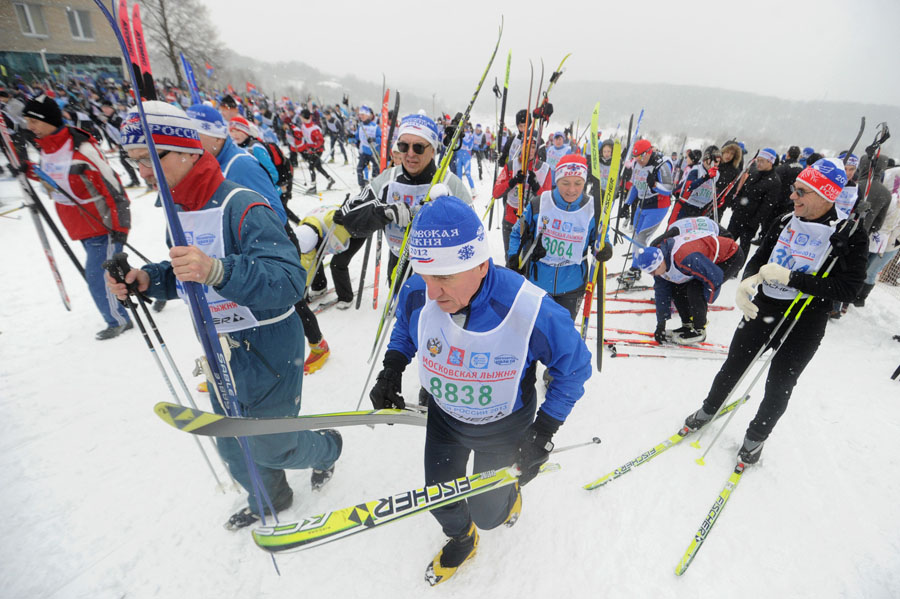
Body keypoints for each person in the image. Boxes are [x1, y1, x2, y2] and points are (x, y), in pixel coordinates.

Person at [111, 100, 342, 528]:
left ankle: (328, 447)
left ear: (186, 150)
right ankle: (269, 500)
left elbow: (289, 281)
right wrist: (150, 279)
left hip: (268, 344)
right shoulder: (178, 209)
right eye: (134, 161)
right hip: (219, 344)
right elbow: (189, 273)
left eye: (149, 158)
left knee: (273, 444)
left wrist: (217, 269)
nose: (141, 170)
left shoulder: (242, 203)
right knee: (232, 442)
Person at [367, 195, 592, 585]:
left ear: (481, 264)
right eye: (425, 274)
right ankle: (461, 537)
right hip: (445, 421)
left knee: (491, 515)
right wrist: (392, 367)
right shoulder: (420, 291)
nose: (433, 291)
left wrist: (543, 433)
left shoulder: (526, 307)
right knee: (439, 496)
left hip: (504, 427)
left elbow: (573, 367)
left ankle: (503, 504)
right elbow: (407, 324)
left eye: (446, 277)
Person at [682, 158, 867, 464]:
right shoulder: (784, 220)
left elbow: (849, 289)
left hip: (804, 319)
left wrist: (794, 279)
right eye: (795, 189)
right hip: (764, 307)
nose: (793, 196)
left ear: (825, 196)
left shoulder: (847, 235)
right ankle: (710, 408)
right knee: (734, 364)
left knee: (780, 382)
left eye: (801, 191)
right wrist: (747, 281)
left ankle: (756, 437)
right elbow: (761, 257)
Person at [23, 94, 132, 340]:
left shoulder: (83, 149)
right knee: (115, 271)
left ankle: (118, 320)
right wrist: (26, 169)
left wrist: (120, 230)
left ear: (48, 120)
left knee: (97, 276)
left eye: (33, 121)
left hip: (102, 227)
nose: (29, 127)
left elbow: (115, 189)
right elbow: (55, 180)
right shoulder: (48, 149)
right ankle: (156, 286)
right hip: (78, 227)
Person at [336, 113, 472, 283]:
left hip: (441, 269)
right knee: (401, 306)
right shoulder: (388, 180)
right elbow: (351, 219)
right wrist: (383, 213)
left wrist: (440, 220)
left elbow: (472, 234)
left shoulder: (449, 183)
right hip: (399, 263)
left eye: (418, 148)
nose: (409, 154)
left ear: (432, 151)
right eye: (403, 146)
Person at [507, 154, 611, 320]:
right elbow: (516, 234)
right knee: (536, 330)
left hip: (572, 285)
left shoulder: (593, 209)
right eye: (565, 183)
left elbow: (601, 238)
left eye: (578, 183)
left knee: (562, 334)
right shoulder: (539, 203)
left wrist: (605, 247)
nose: (571, 190)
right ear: (557, 181)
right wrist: (513, 255)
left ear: (584, 182)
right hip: (538, 282)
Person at [633, 222, 743, 345]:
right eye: (650, 273)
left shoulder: (683, 257)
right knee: (676, 287)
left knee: (694, 289)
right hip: (704, 261)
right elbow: (662, 293)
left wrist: (705, 299)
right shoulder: (660, 266)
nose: (654, 275)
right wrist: (661, 324)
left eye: (653, 271)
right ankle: (688, 324)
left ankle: (699, 330)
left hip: (730, 255)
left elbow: (715, 276)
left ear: (660, 262)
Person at [619, 139, 674, 285]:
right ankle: (637, 263)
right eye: (636, 157)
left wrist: (654, 184)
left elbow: (669, 189)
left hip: (658, 206)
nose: (639, 161)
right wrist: (627, 204)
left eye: (641, 157)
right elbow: (636, 186)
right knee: (636, 236)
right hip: (642, 205)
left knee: (641, 238)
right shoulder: (637, 164)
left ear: (649, 152)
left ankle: (636, 268)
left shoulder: (661, 165)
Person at [492, 130, 552, 253]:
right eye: (527, 146)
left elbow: (548, 202)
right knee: (511, 263)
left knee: (526, 264)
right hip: (511, 221)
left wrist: (536, 187)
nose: (529, 150)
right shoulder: (511, 165)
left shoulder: (544, 169)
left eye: (533, 147)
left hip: (531, 223)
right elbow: (496, 193)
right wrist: (512, 182)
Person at [726, 148, 781, 259]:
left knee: (743, 246)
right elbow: (742, 190)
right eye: (758, 160)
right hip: (738, 215)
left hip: (750, 221)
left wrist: (754, 221)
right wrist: (736, 203)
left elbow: (767, 205)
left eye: (761, 161)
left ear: (770, 162)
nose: (758, 163)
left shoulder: (774, 181)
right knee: (727, 241)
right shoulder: (754, 172)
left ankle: (736, 269)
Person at [668, 145, 720, 225]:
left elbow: (715, 191)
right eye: (714, 161)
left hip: (699, 210)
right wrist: (706, 177)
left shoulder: (717, 174)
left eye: (718, 162)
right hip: (685, 207)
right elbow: (689, 187)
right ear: (707, 159)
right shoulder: (697, 169)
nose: (715, 165)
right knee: (673, 231)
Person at [228, 115, 279, 186]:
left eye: (238, 130)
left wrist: (259, 187)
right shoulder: (235, 147)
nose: (234, 134)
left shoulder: (255, 148)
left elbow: (273, 174)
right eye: (232, 131)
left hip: (264, 192)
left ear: (245, 131)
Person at [99, 101, 140, 188]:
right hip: (122, 144)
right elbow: (108, 135)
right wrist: (114, 145)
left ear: (112, 108)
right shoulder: (107, 120)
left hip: (128, 143)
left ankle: (148, 181)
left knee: (134, 161)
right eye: (103, 109)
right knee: (125, 161)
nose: (105, 110)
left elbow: (123, 129)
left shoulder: (117, 117)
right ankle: (135, 180)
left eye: (107, 108)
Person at [294, 108, 335, 194]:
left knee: (311, 167)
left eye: (301, 116)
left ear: (304, 117)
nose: (300, 118)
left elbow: (320, 141)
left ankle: (313, 187)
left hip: (318, 150)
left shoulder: (314, 128)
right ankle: (330, 179)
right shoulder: (303, 125)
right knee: (318, 167)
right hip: (310, 150)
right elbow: (303, 134)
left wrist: (315, 148)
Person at [354, 105, 381, 187]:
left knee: (376, 171)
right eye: (360, 114)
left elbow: (381, 140)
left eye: (363, 115)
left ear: (368, 115)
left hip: (373, 152)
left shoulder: (375, 127)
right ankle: (362, 186)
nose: (361, 116)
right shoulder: (360, 126)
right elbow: (357, 137)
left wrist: (373, 139)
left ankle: (375, 186)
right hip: (364, 152)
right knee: (359, 169)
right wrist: (351, 137)